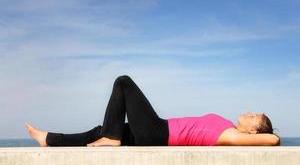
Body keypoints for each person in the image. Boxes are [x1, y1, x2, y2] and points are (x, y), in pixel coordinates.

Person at [26, 75, 280, 147]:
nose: (247, 112)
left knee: (123, 82)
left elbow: (273, 139)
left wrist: (261, 136)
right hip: (158, 130)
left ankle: (112, 139)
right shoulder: (228, 126)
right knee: (98, 131)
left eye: (252, 116)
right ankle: (49, 139)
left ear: (253, 130)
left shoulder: (232, 136)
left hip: (159, 133)